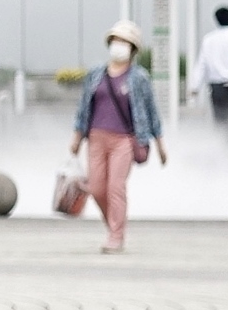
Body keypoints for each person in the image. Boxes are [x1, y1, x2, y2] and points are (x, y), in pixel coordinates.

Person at [69, 20, 167, 254]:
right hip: (96, 137)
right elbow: (83, 107)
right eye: (116, 41)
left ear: (133, 49)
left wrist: (160, 144)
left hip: (124, 139)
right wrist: (76, 136)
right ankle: (114, 226)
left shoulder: (139, 77)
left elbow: (151, 110)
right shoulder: (95, 74)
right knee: (96, 188)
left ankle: (116, 235)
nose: (119, 46)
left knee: (115, 187)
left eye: (124, 42)